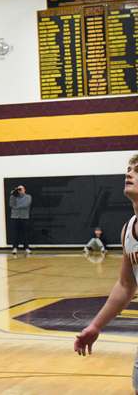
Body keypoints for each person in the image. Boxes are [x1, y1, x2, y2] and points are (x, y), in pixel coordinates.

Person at [75, 154, 138, 391]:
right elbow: (125, 285)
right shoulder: (128, 231)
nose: (129, 173)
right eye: (129, 168)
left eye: (137, 169)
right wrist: (95, 326)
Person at [9, 185, 32, 254]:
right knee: (15, 233)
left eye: (21, 189)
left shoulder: (28, 196)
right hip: (15, 217)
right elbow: (11, 205)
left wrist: (16, 206)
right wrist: (14, 195)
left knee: (25, 233)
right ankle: (15, 248)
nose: (20, 190)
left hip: (24, 217)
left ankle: (26, 248)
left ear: (24, 190)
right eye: (18, 189)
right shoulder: (13, 196)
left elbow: (26, 205)